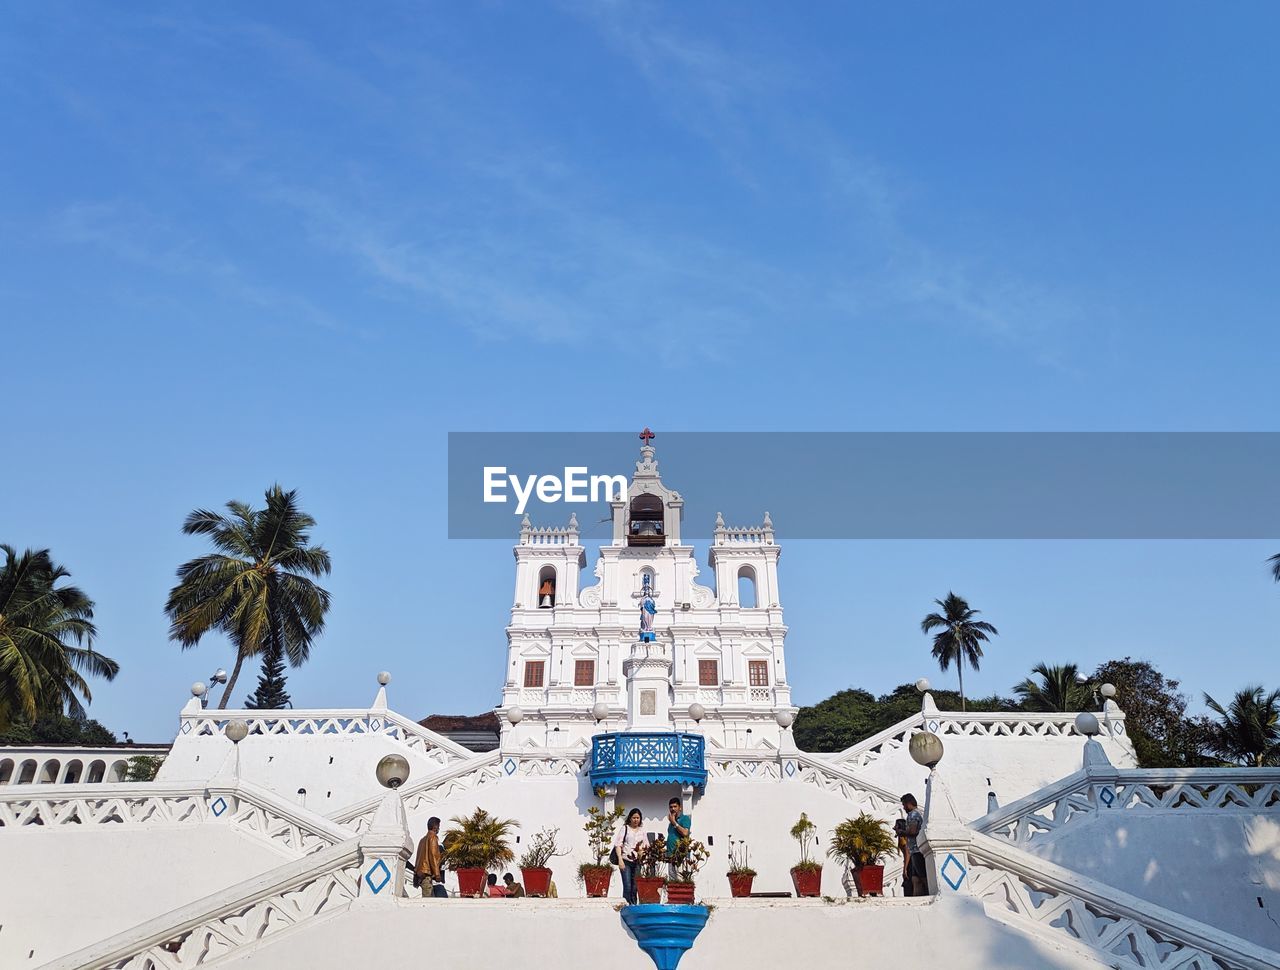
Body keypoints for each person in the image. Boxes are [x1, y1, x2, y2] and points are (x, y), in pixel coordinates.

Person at [613, 807, 647, 905]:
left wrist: (642, 852)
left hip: (637, 861)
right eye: (634, 818)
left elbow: (646, 845)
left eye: (638, 818)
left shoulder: (642, 831)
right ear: (630, 818)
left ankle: (634, 905)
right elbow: (618, 844)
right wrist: (620, 860)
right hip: (626, 860)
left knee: (635, 886)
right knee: (627, 885)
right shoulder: (625, 829)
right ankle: (626, 905)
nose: (636, 820)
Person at [413, 816, 447, 899]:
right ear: (435, 827)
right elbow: (433, 856)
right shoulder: (433, 838)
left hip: (421, 874)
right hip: (426, 874)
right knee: (428, 903)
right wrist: (437, 874)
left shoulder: (422, 840)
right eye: (438, 826)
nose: (439, 828)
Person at [901, 793, 927, 897]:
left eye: (904, 804)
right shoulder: (915, 814)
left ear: (908, 803)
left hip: (917, 850)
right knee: (915, 879)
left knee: (922, 877)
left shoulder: (913, 814)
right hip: (914, 851)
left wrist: (902, 832)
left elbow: (912, 831)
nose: (903, 807)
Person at [666, 797, 691, 880]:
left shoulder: (685, 818)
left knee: (681, 879)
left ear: (680, 808)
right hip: (670, 855)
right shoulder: (671, 822)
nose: (672, 809)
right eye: (671, 807)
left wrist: (674, 823)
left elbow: (685, 833)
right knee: (672, 880)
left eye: (675, 806)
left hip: (681, 855)